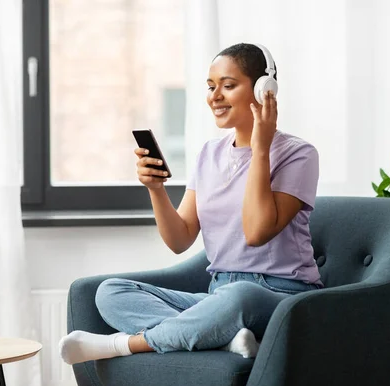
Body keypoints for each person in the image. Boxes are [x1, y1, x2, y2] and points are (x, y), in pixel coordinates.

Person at [58, 43, 323, 365]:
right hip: (217, 294)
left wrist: (261, 149)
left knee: (240, 297)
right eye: (211, 87)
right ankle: (221, 339)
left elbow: (256, 232)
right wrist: (155, 189)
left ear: (263, 89)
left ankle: (125, 344)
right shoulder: (209, 154)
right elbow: (180, 239)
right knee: (111, 291)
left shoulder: (299, 154)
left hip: (280, 296)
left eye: (228, 85)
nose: (215, 96)